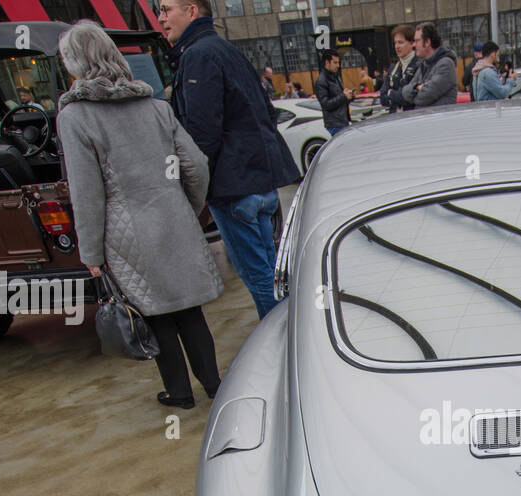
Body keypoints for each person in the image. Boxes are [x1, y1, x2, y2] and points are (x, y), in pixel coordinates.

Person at [57, 21, 223, 410]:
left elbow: (87, 192)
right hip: (173, 215)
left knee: (155, 312)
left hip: (124, 229)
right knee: (189, 309)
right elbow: (195, 165)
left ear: (76, 63)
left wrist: (91, 252)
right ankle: (215, 385)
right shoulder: (155, 107)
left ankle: (180, 393)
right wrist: (188, 205)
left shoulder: (76, 117)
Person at [158, 0, 301, 319]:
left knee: (261, 279)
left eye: (167, 9)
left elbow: (202, 134)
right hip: (257, 183)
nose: (161, 18)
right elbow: (264, 112)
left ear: (192, 11)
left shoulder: (198, 56)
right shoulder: (223, 50)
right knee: (271, 274)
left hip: (235, 188)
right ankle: (289, 337)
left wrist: (191, 187)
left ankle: (282, 347)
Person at [403, 22, 458, 108]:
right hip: (425, 118)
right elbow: (405, 92)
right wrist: (417, 87)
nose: (414, 45)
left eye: (417, 41)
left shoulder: (446, 64)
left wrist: (415, 92)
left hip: (440, 119)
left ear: (427, 42)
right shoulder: (423, 65)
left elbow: (423, 98)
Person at [378, 24, 421, 113]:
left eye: (401, 42)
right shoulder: (393, 68)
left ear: (412, 43)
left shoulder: (419, 65)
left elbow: (411, 97)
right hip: (395, 118)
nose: (397, 46)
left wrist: (391, 94)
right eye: (395, 43)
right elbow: (382, 97)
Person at [315, 49, 353, 135]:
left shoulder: (335, 76)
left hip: (342, 121)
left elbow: (339, 98)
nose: (338, 65)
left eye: (338, 62)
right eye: (335, 63)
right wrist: (343, 96)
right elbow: (326, 104)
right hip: (335, 124)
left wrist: (349, 96)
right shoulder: (322, 80)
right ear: (327, 63)